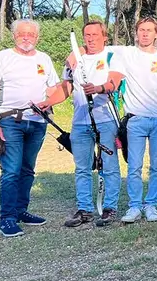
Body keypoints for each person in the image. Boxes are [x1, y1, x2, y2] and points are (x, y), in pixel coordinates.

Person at [0, 19, 61, 237]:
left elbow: (55, 89)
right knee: (11, 170)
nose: (26, 38)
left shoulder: (44, 59)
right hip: (9, 121)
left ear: (37, 37)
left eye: (31, 34)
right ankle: (6, 219)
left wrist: (48, 103)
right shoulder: (1, 58)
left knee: (27, 169)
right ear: (14, 36)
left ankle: (20, 210)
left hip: (37, 122)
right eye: (22, 34)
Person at [41, 22, 124, 227]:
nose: (91, 38)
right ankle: (85, 209)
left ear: (104, 36)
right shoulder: (75, 59)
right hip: (80, 122)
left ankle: (109, 208)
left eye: (95, 34)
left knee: (109, 166)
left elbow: (115, 82)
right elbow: (66, 88)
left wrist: (98, 88)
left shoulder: (114, 55)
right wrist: (48, 102)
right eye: (87, 34)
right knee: (82, 168)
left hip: (106, 120)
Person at [114, 16, 157, 224]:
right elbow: (97, 48)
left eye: (149, 30)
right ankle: (134, 206)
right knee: (134, 166)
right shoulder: (127, 54)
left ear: (156, 33)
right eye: (141, 30)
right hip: (135, 121)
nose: (145, 34)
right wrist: (75, 52)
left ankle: (151, 204)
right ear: (136, 32)